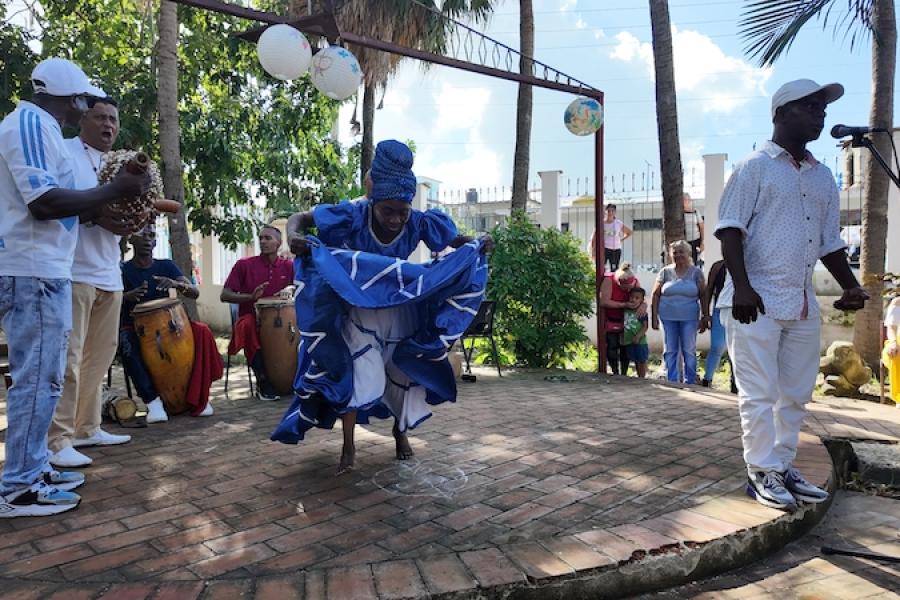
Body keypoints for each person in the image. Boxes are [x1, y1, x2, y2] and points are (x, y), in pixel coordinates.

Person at [275, 139, 490, 474]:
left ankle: (400, 432)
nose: (394, 219)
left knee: (402, 370)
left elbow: (452, 240)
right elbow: (300, 218)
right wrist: (293, 238)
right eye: (387, 210)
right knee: (359, 370)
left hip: (400, 309)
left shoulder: (418, 222)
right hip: (359, 310)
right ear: (373, 201)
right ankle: (348, 445)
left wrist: (476, 245)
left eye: (401, 212)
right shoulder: (352, 215)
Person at [0, 58, 149, 518]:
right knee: (38, 379)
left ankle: (35, 468)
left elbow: (65, 206)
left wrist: (119, 204)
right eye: (83, 99)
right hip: (30, 268)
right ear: (69, 97)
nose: (84, 105)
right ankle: (18, 488)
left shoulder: (39, 125)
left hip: (47, 268)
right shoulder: (27, 122)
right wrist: (115, 191)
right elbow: (43, 202)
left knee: (45, 378)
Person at [716, 79, 869, 511]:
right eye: (811, 107)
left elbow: (829, 242)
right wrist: (742, 286)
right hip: (754, 302)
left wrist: (849, 286)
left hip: (799, 303)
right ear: (782, 113)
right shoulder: (754, 167)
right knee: (759, 393)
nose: (821, 115)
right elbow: (730, 230)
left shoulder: (822, 177)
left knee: (796, 394)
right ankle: (761, 471)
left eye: (823, 108)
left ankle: (782, 466)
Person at [49, 97, 133, 469]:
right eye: (100, 117)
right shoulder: (65, 153)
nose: (108, 125)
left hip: (109, 273)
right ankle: (58, 439)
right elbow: (53, 204)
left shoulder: (122, 164)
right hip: (72, 270)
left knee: (99, 359)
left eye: (113, 119)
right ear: (83, 119)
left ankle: (87, 427)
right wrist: (97, 213)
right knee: (69, 359)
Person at [119, 226, 206, 423]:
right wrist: (127, 296)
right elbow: (107, 299)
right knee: (128, 347)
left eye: (151, 236)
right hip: (133, 326)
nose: (148, 239)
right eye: (142, 235)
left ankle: (194, 396)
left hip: (169, 326)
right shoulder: (123, 269)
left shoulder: (166, 266)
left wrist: (177, 284)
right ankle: (153, 402)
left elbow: (194, 292)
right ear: (131, 240)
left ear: (156, 242)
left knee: (202, 333)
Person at [221, 225, 294, 401]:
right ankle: (263, 382)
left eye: (268, 238)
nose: (262, 241)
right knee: (247, 326)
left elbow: (302, 289)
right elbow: (225, 295)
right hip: (251, 319)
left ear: (279, 243)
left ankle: (296, 381)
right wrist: (250, 296)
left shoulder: (288, 266)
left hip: (282, 320)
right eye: (261, 238)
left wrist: (291, 289)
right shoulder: (244, 265)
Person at [651, 240, 708, 384]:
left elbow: (703, 295)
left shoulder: (696, 273)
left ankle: (690, 380)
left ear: (689, 253)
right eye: (675, 252)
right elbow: (655, 294)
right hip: (667, 317)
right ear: (670, 255)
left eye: (681, 252)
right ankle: (672, 380)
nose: (678, 255)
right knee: (670, 350)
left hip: (689, 318)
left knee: (689, 349)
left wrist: (705, 316)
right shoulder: (665, 272)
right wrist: (654, 317)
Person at [598, 263, 643, 375]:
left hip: (628, 321)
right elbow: (604, 301)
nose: (627, 291)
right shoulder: (609, 280)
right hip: (612, 319)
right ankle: (614, 371)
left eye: (629, 288)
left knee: (626, 349)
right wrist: (624, 305)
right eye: (624, 288)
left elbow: (642, 299)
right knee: (611, 347)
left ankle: (624, 373)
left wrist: (643, 305)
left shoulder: (635, 282)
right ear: (619, 282)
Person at [700, 259, 736, 391]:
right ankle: (707, 379)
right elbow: (708, 289)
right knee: (717, 347)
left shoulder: (748, 261)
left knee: (737, 348)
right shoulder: (718, 266)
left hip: (740, 308)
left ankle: (735, 382)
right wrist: (705, 314)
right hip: (720, 309)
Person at [590, 204, 632, 272]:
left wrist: (621, 239)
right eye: (608, 211)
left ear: (615, 212)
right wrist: (593, 251)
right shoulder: (601, 223)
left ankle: (613, 282)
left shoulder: (618, 223)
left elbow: (629, 232)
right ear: (605, 212)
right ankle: (602, 282)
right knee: (601, 268)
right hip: (605, 249)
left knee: (614, 269)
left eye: (612, 211)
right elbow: (594, 238)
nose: (610, 213)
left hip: (616, 249)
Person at [622, 286, 649, 378]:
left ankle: (642, 377)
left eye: (637, 298)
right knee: (635, 360)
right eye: (632, 297)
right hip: (629, 340)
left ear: (642, 300)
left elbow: (645, 327)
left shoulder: (641, 312)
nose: (633, 300)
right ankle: (638, 377)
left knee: (641, 360)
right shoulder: (626, 310)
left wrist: (638, 336)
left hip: (640, 341)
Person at [882, 295, 900, 405]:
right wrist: (893, 342)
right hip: (895, 343)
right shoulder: (897, 303)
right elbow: (891, 329)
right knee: (896, 353)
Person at [683, 193, 704, 265]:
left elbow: (701, 227)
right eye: (683, 199)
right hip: (685, 241)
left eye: (686, 199)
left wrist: (702, 242)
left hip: (695, 240)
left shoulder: (695, 212)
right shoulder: (680, 213)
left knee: (694, 261)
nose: (685, 201)